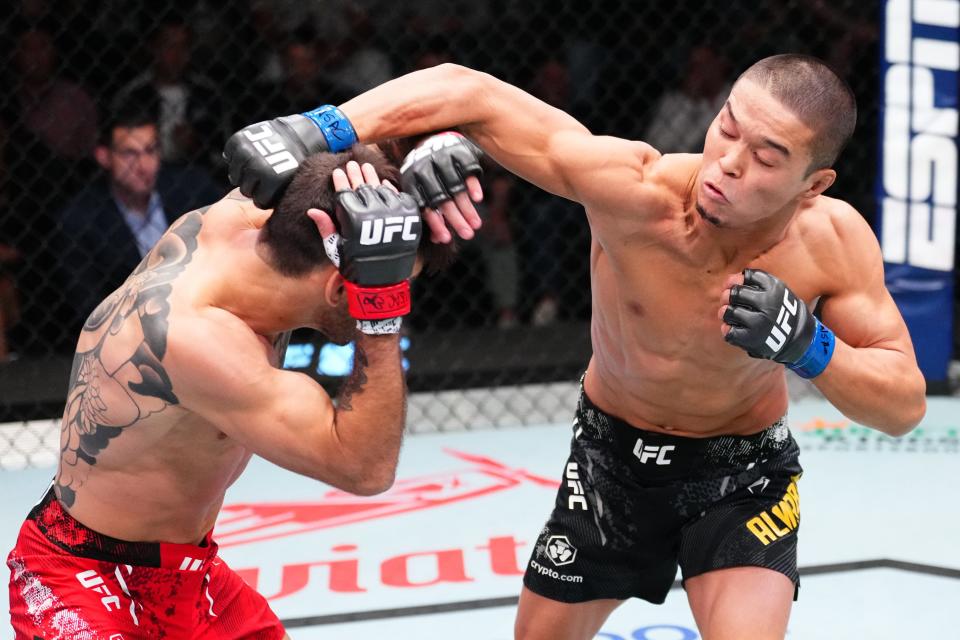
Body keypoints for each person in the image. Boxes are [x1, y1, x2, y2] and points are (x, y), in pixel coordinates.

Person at [223, 55, 928, 640]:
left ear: (815, 186)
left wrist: (809, 345)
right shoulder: (636, 191)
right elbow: (470, 92)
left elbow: (903, 405)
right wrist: (317, 126)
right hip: (610, 460)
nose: (729, 163)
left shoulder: (832, 244)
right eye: (728, 129)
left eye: (767, 158)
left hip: (738, 475)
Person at [6, 108, 461, 637]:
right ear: (342, 288)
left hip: (185, 571)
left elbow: (367, 143)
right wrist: (381, 313)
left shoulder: (250, 217)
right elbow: (365, 469)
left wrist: (413, 157)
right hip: (80, 577)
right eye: (393, 286)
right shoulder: (200, 341)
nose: (397, 298)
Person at [56, 101, 222, 333]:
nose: (143, 165)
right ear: (104, 156)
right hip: (129, 333)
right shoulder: (81, 219)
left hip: (208, 311)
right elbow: (89, 307)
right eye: (129, 154)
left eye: (150, 150)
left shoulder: (193, 189)